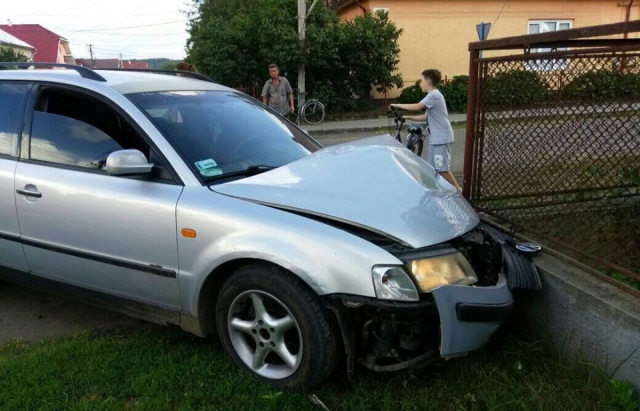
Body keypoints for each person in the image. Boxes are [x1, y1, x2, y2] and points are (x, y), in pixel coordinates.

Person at [390, 69, 462, 191]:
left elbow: (418, 106)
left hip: (441, 139)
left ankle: (460, 192)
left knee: (442, 170)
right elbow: (425, 117)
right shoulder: (433, 96)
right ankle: (438, 192)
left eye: (422, 81)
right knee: (432, 170)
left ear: (428, 82)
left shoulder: (434, 95)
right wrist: (407, 117)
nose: (420, 83)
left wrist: (397, 105)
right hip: (436, 139)